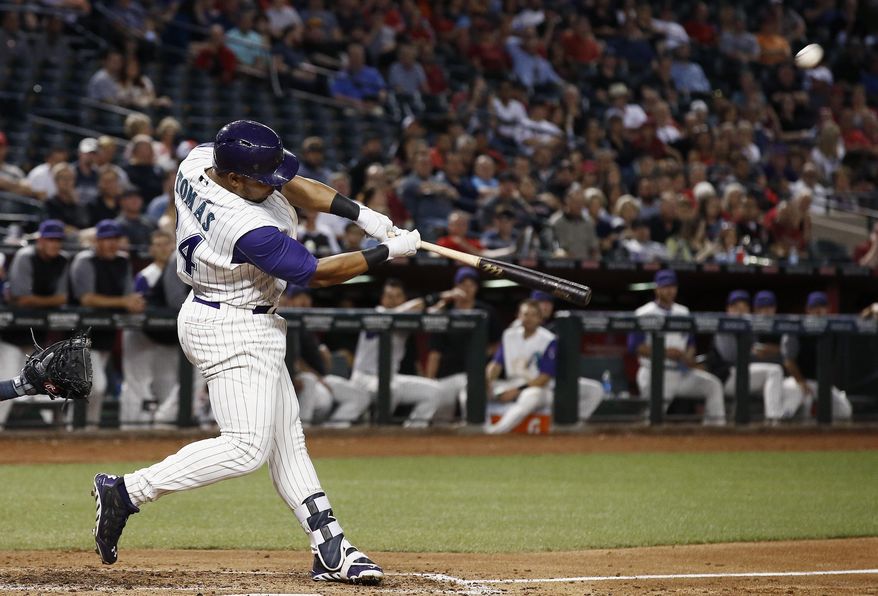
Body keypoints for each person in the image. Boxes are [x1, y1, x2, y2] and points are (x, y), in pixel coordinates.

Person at [92, 120, 418, 586]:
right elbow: (316, 273)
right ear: (234, 180)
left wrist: (360, 213)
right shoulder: (244, 227)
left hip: (238, 315)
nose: (274, 184)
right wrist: (387, 251)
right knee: (247, 448)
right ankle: (127, 491)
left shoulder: (201, 159)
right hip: (230, 323)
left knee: (287, 439)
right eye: (262, 180)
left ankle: (330, 546)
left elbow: (293, 184)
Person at [322, 279, 445, 428]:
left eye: (397, 296)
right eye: (389, 296)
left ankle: (412, 432)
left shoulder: (406, 315)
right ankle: (377, 429)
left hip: (390, 378)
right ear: (382, 299)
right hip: (364, 378)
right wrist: (438, 297)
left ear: (404, 299)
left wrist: (440, 306)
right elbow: (403, 312)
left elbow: (424, 313)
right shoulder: (377, 313)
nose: (393, 300)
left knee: (434, 390)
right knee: (391, 389)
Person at [71, 220, 145, 428]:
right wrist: (123, 302)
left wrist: (134, 302)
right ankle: (73, 428)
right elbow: (86, 298)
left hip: (106, 333)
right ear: (97, 241)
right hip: (80, 334)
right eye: (106, 240)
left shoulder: (122, 261)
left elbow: (128, 295)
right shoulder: (85, 260)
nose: (111, 244)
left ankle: (89, 430)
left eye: (114, 239)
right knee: (97, 385)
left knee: (90, 387)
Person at [629, 270, 726, 425]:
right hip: (654, 373)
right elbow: (635, 346)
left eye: (673, 286)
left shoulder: (683, 312)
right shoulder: (643, 312)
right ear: (657, 289)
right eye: (665, 286)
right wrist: (666, 353)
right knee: (651, 420)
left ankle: (715, 430)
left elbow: (690, 344)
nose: (670, 290)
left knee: (713, 386)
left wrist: (688, 357)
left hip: (681, 373)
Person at [0, 221, 70, 429]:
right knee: (8, 380)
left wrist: (39, 301)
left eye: (58, 240)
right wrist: (50, 301)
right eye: (50, 239)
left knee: (34, 384)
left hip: (35, 335)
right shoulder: (26, 256)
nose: (54, 244)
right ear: (40, 240)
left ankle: (57, 429)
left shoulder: (62, 260)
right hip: (10, 334)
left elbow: (62, 297)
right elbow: (22, 298)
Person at [119, 230, 179, 429]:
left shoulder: (181, 272)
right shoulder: (146, 275)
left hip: (166, 337)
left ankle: (163, 427)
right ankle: (130, 427)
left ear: (173, 246)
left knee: (167, 381)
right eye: (158, 244)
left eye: (166, 244)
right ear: (151, 249)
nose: (163, 248)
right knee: (137, 382)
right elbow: (137, 305)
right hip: (140, 333)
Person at [708, 290, 784, 424]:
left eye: (744, 307)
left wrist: (761, 353)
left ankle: (774, 420)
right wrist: (754, 353)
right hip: (725, 378)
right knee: (774, 371)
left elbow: (756, 355)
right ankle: (773, 420)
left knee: (777, 377)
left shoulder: (750, 328)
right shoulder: (723, 327)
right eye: (736, 307)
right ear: (728, 309)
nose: (740, 311)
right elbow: (730, 357)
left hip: (742, 375)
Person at [780, 292, 853, 422]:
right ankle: (779, 429)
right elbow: (789, 361)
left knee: (844, 411)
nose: (819, 311)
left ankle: (821, 438)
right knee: (798, 404)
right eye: (814, 307)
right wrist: (801, 382)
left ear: (828, 309)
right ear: (808, 310)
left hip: (820, 383)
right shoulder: (797, 329)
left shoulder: (832, 329)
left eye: (822, 307)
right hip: (796, 381)